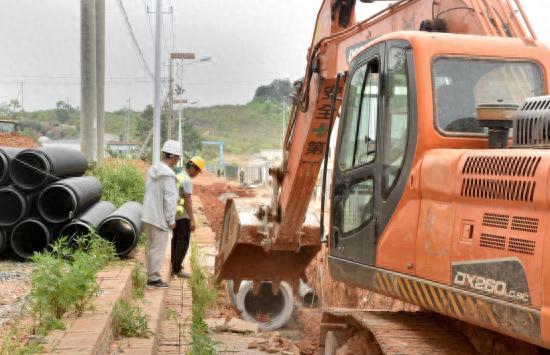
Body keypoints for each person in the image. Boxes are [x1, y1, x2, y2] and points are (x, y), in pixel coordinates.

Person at [141, 140, 182, 288]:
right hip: (159, 217)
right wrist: (171, 219)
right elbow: (170, 199)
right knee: (158, 248)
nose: (178, 160)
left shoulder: (154, 169)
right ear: (173, 156)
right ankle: (153, 279)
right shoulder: (168, 175)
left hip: (148, 214)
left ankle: (152, 276)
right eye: (178, 157)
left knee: (152, 247)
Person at [172, 156, 205, 278]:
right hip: (184, 216)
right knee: (183, 243)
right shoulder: (187, 179)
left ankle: (175, 267)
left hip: (176, 214)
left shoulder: (179, 175)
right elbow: (188, 201)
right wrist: (192, 219)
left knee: (175, 241)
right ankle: (176, 269)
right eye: (197, 171)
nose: (197, 174)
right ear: (193, 168)